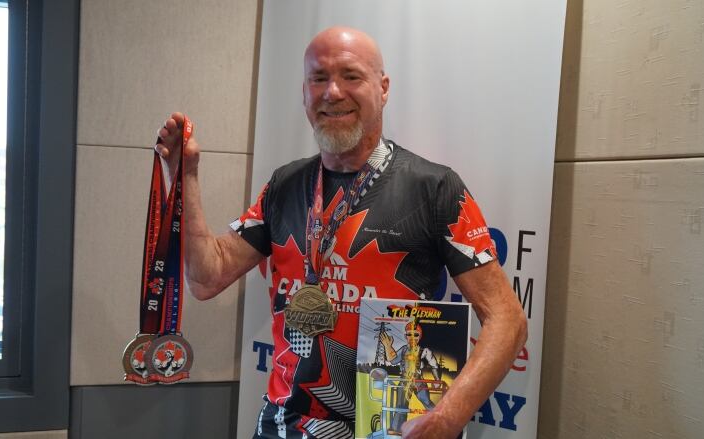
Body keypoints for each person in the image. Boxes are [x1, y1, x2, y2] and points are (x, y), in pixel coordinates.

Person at [155, 26, 527, 439]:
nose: (332, 92)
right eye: (318, 78)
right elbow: (207, 277)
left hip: (392, 428)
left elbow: (507, 320)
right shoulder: (286, 184)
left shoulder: (434, 188)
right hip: (286, 425)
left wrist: (448, 416)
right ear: (303, 92)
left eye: (351, 76)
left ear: (382, 88)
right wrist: (185, 175)